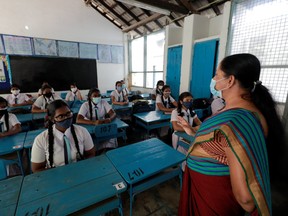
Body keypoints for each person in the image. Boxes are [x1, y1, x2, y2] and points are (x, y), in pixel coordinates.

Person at [177, 53, 285, 215]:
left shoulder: (236, 121)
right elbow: (218, 144)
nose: (213, 79)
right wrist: (191, 130)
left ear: (230, 81)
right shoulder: (230, 111)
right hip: (205, 192)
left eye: (217, 75)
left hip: (215, 199)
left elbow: (246, 200)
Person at [31, 100, 95, 172]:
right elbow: (37, 169)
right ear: (52, 119)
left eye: (68, 114)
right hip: (55, 176)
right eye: (61, 116)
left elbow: (91, 154)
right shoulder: (41, 139)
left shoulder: (82, 131)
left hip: (81, 171)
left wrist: (82, 167)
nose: (66, 118)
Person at [76, 88, 117, 153]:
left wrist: (110, 119)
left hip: (102, 126)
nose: (97, 97)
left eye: (99, 95)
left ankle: (108, 150)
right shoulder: (85, 105)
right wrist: (94, 122)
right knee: (92, 144)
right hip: (90, 127)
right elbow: (78, 119)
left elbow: (113, 113)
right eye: (95, 96)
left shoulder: (103, 102)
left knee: (110, 138)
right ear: (90, 97)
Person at [170, 92, 201, 161]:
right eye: (187, 100)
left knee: (187, 154)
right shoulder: (175, 112)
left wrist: (204, 126)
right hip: (178, 135)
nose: (189, 102)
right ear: (181, 102)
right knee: (178, 154)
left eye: (191, 100)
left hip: (188, 134)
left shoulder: (192, 111)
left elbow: (198, 122)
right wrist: (192, 129)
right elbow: (176, 127)